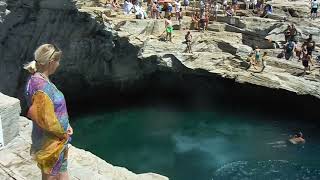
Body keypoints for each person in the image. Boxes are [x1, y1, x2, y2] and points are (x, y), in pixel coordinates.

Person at [24, 44, 73, 180]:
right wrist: (63, 134)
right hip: (51, 141)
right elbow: (46, 121)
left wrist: (67, 125)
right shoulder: (42, 87)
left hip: (54, 139)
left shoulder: (37, 79)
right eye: (58, 61)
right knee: (50, 175)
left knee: (61, 170)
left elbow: (52, 111)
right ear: (51, 62)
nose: (59, 64)